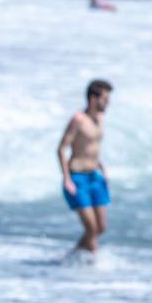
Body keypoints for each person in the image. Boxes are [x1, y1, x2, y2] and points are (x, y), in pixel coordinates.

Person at [57, 79, 112, 254]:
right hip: (78, 178)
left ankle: (74, 256)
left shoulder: (100, 119)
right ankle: (93, 267)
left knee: (101, 227)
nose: (108, 103)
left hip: (95, 176)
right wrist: (67, 179)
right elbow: (61, 148)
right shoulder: (78, 120)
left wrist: (101, 168)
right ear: (93, 99)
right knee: (91, 229)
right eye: (105, 99)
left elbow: (92, 148)